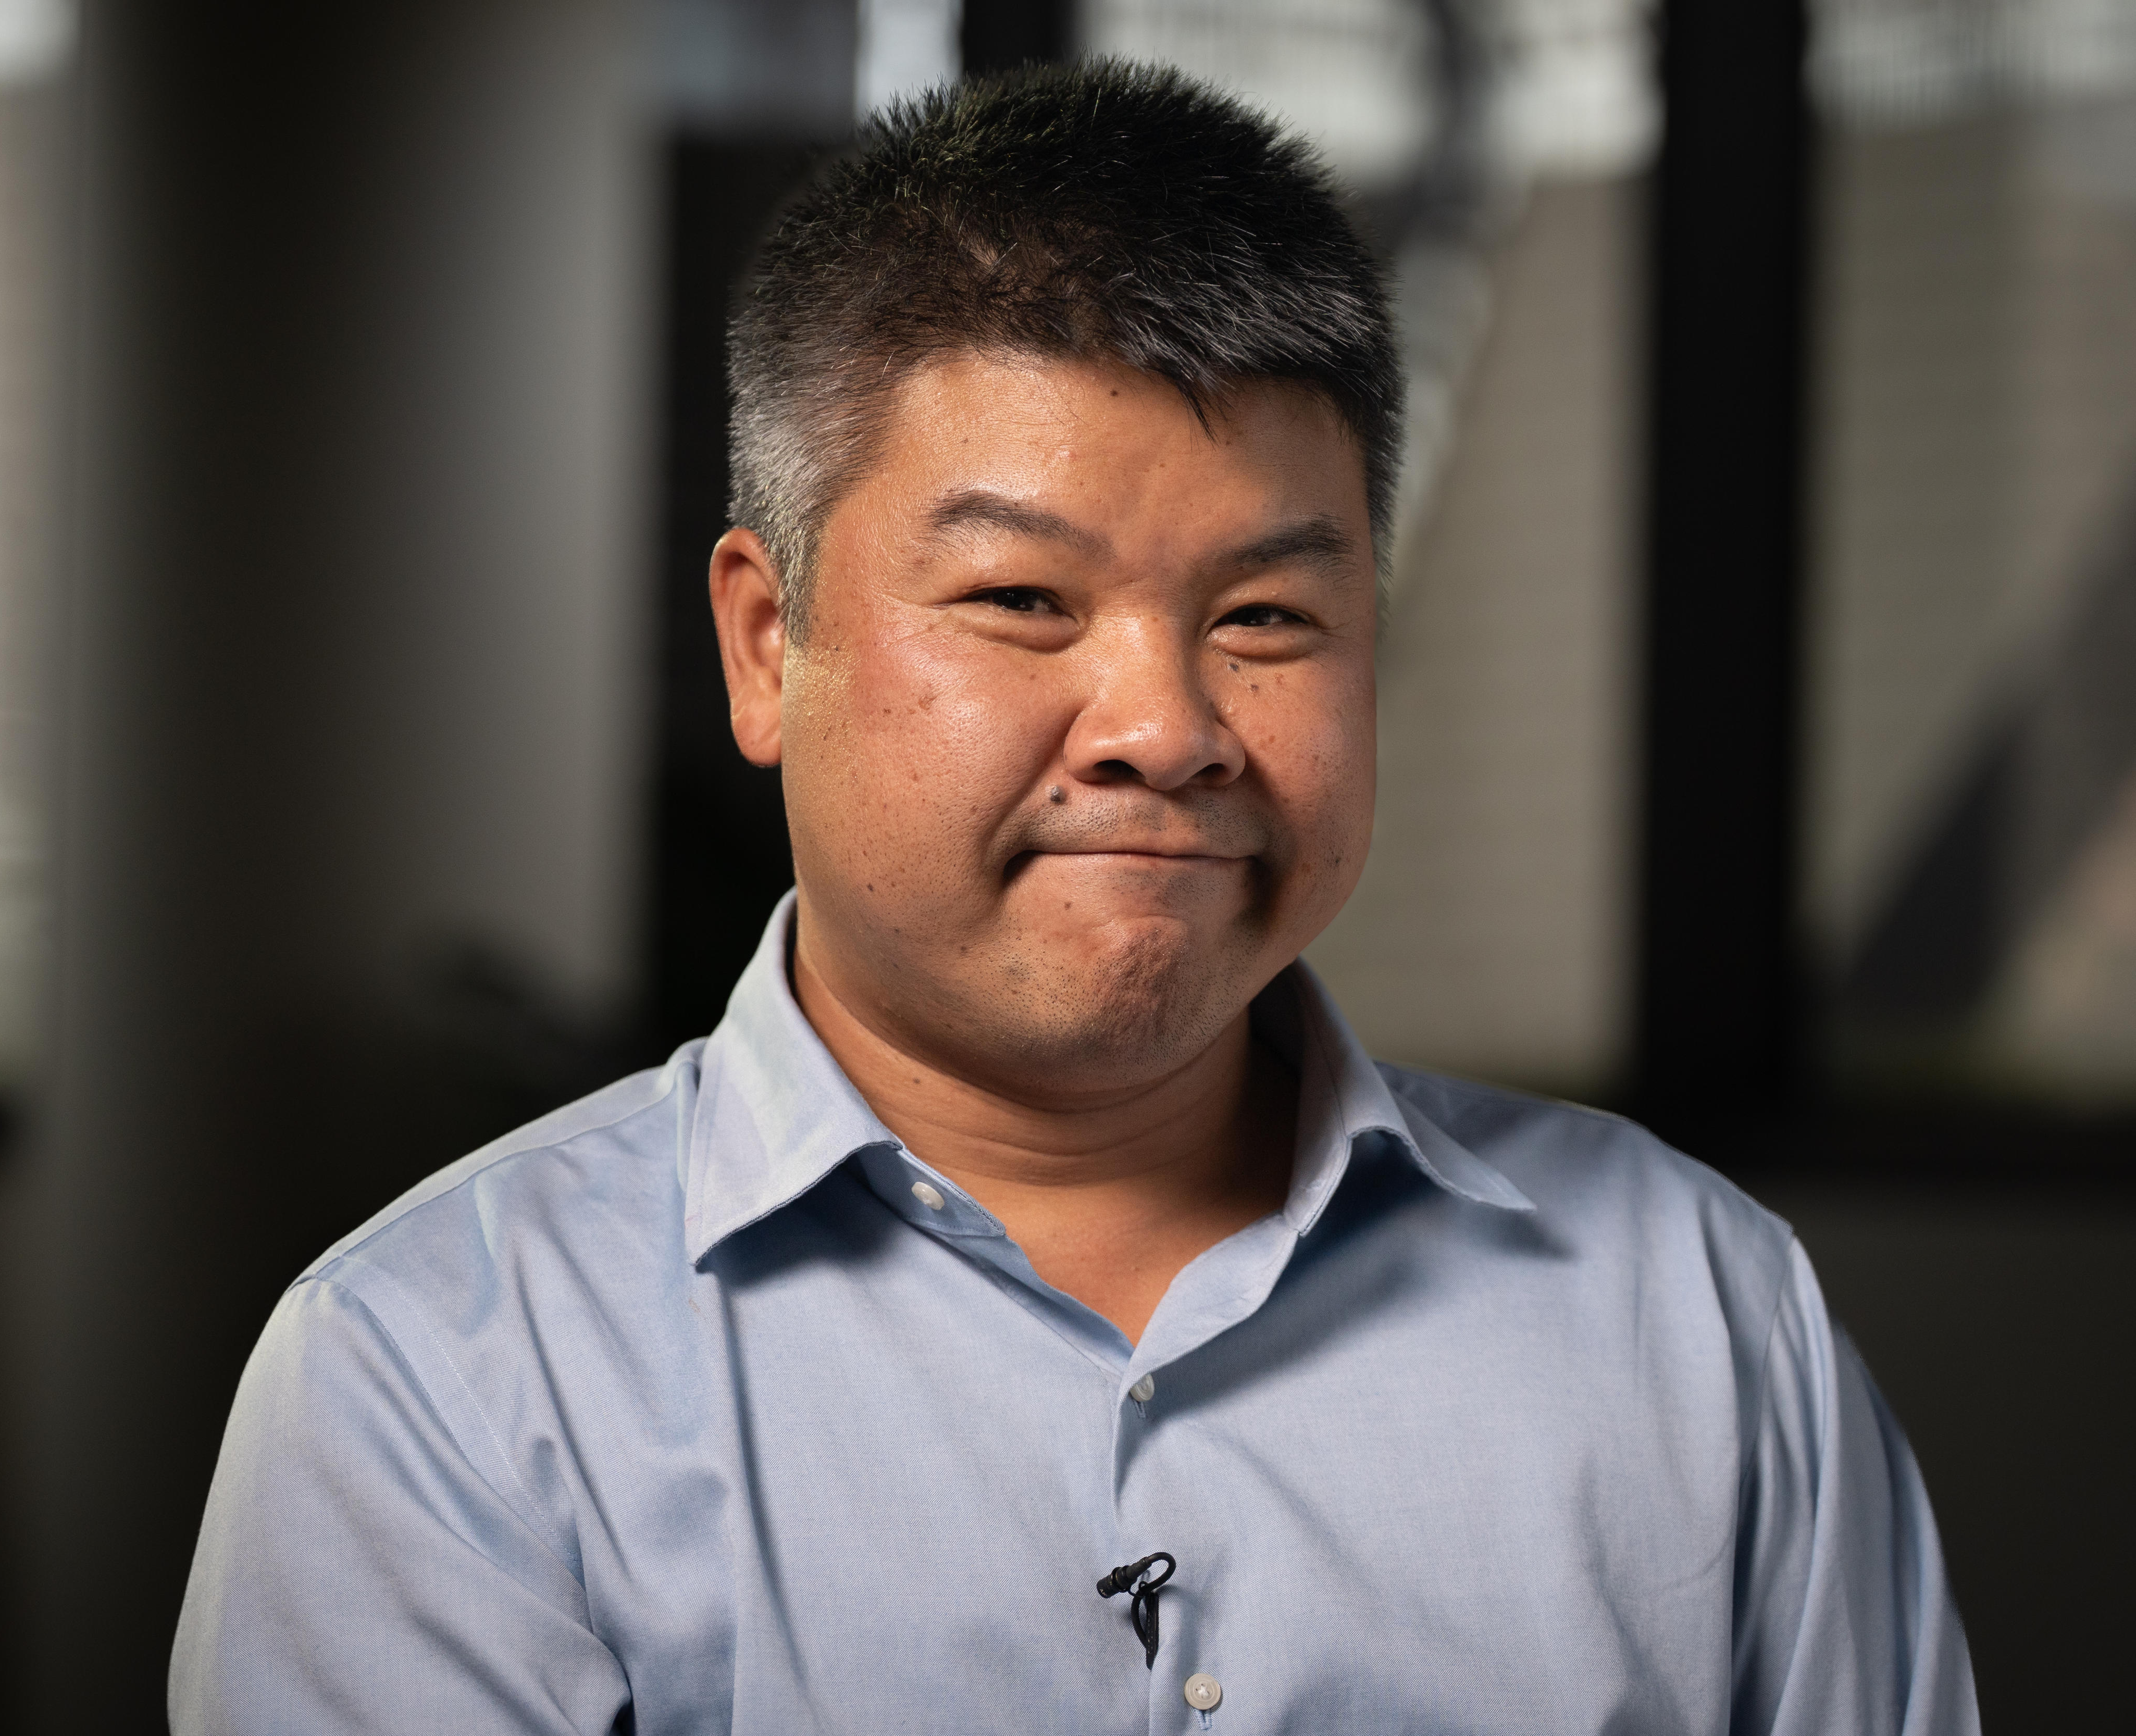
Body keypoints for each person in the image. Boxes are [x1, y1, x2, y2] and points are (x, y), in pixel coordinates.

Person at [170, 61, 1977, 1734]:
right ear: (767, 641)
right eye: (1025, 602)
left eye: (1267, 616)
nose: (1166, 729)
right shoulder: (449, 1380)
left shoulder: (1700, 1319)